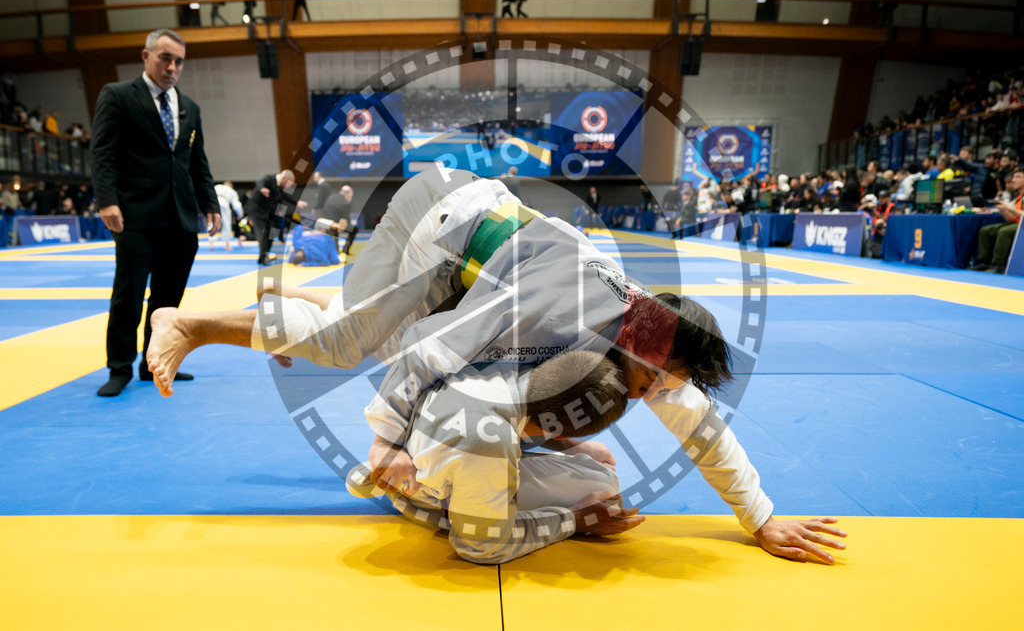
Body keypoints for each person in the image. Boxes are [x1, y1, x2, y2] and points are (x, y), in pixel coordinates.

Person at [146, 168, 846, 562]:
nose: (651, 397)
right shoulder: (573, 309)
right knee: (347, 342)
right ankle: (190, 321)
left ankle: (319, 304)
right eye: (649, 383)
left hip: (475, 260)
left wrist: (761, 519)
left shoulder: (644, 340)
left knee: (365, 331)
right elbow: (434, 354)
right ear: (639, 342)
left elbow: (698, 420)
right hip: (436, 230)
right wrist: (385, 443)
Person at [347, 351, 642, 564]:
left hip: (426, 441)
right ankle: (424, 496)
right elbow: (482, 546)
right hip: (446, 476)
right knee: (605, 485)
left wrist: (577, 447)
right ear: (562, 434)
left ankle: (406, 470)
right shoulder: (490, 443)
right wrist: (576, 519)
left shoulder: (500, 365)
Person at [90, 28, 220, 397]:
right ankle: (119, 369)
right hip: (135, 215)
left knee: (167, 301)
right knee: (127, 296)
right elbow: (102, 153)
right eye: (165, 57)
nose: (172, 67)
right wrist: (106, 200)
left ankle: (155, 365)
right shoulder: (117, 96)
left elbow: (198, 161)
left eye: (179, 61)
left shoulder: (188, 107)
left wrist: (209, 204)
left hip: (180, 218)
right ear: (145, 56)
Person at [970, 169, 1024, 273]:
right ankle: (983, 262)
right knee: (986, 230)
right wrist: (1002, 208)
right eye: (1014, 177)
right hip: (1016, 223)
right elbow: (1011, 218)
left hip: (1022, 226)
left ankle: (997, 265)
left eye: (1018, 177)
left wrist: (1008, 207)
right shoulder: (1018, 197)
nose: (1014, 180)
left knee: (1004, 232)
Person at [243, 169, 299, 265]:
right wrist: (262, 189)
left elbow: (283, 196)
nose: (288, 186)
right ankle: (263, 257)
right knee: (263, 233)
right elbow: (260, 183)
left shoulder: (278, 186)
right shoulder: (269, 179)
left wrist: (296, 202)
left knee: (272, 233)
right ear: (284, 178)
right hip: (257, 211)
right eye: (288, 184)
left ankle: (264, 256)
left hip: (267, 213)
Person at [319, 182, 360, 257]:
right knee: (354, 228)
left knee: (336, 228)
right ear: (348, 194)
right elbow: (346, 222)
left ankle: (335, 250)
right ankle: (345, 250)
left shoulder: (332, 196)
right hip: (333, 226)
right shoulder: (345, 203)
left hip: (324, 223)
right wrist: (340, 227)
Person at [211, 181, 243, 250]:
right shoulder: (232, 191)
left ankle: (211, 244)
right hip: (224, 204)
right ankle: (227, 245)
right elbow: (237, 205)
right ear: (231, 186)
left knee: (213, 223)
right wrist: (240, 214)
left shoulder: (218, 186)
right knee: (226, 224)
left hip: (214, 203)